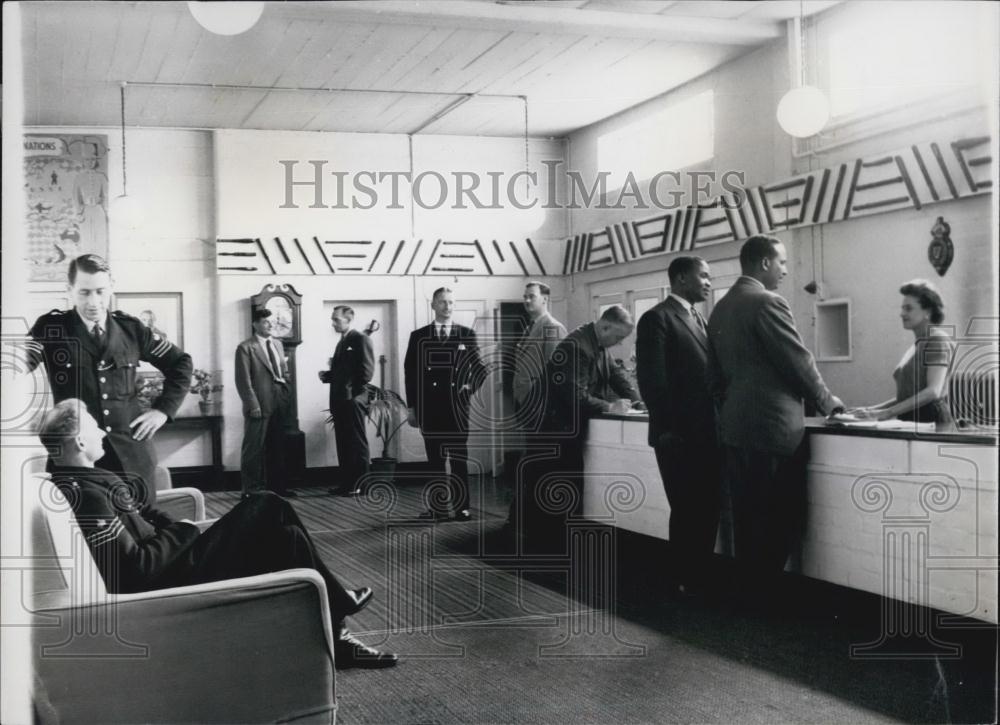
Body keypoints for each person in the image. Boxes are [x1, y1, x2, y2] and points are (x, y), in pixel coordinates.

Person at [37, 399, 397, 669]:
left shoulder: (96, 477)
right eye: (93, 427)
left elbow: (146, 512)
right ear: (79, 443)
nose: (102, 431)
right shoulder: (83, 494)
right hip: (168, 583)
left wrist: (172, 528)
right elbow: (135, 572)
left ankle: (338, 635)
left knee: (287, 536)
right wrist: (184, 530)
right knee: (267, 504)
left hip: (177, 563)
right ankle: (340, 607)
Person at [706, 235, 843, 601]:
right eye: (781, 262)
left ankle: (750, 594)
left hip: (736, 427)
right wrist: (828, 402)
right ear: (764, 263)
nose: (785, 269)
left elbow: (714, 377)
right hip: (773, 429)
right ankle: (766, 597)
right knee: (778, 516)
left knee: (747, 517)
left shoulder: (720, 308)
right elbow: (797, 360)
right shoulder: (768, 302)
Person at [25, 253, 192, 502]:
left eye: (101, 291)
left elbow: (181, 363)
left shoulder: (131, 329)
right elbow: (15, 368)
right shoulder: (52, 328)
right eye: (84, 292)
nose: (93, 301)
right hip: (77, 460)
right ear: (69, 290)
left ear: (112, 286)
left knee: (144, 530)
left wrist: (163, 411)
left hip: (133, 459)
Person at [635, 256, 720, 596]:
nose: (709, 282)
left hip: (705, 431)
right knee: (687, 507)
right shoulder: (657, 319)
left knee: (706, 506)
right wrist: (668, 429)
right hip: (677, 435)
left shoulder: (697, 317)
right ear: (682, 278)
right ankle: (686, 579)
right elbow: (652, 380)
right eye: (704, 275)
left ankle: (698, 575)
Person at [528, 306, 643, 540]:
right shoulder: (577, 346)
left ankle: (543, 533)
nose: (619, 343)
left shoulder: (597, 343)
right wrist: (610, 406)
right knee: (552, 478)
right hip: (551, 423)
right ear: (605, 326)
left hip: (562, 422)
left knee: (553, 479)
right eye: (618, 337)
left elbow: (616, 375)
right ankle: (542, 536)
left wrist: (638, 403)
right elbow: (574, 395)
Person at [404, 287, 487, 522]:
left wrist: (470, 387)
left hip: (457, 408)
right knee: (435, 461)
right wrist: (412, 408)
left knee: (459, 459)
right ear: (433, 305)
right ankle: (438, 509)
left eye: (451, 302)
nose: (447, 307)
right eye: (442, 302)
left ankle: (462, 508)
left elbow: (481, 369)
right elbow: (411, 374)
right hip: (429, 408)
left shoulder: (466, 334)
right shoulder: (419, 336)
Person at [851, 280, 954, 427]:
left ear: (928, 312)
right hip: (913, 418)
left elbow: (933, 391)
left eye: (908, 308)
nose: (902, 314)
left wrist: (886, 413)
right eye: (902, 308)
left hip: (931, 421)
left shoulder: (937, 339)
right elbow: (907, 397)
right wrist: (871, 410)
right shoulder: (918, 345)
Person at [506, 281, 567, 529]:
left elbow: (555, 374)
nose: (527, 300)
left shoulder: (552, 328)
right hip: (528, 407)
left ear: (545, 300)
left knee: (533, 464)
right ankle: (525, 519)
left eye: (532, 296)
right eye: (525, 296)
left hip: (540, 409)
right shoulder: (532, 327)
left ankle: (527, 521)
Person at [235, 307, 294, 497]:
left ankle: (278, 488)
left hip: (279, 400)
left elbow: (283, 370)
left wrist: (286, 388)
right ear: (255, 324)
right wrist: (253, 404)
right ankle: (251, 490)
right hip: (259, 402)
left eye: (272, 322)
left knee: (278, 444)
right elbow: (243, 380)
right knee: (254, 447)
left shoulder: (277, 344)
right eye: (266, 322)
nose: (271, 325)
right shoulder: (245, 348)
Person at [320, 305, 375, 496]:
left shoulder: (360, 339)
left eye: (337, 319)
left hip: (353, 400)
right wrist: (329, 375)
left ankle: (361, 484)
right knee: (343, 442)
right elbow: (345, 370)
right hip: (340, 400)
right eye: (333, 319)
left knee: (356, 442)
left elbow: (366, 373)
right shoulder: (342, 342)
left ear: (349, 319)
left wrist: (353, 395)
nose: (333, 323)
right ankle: (347, 483)